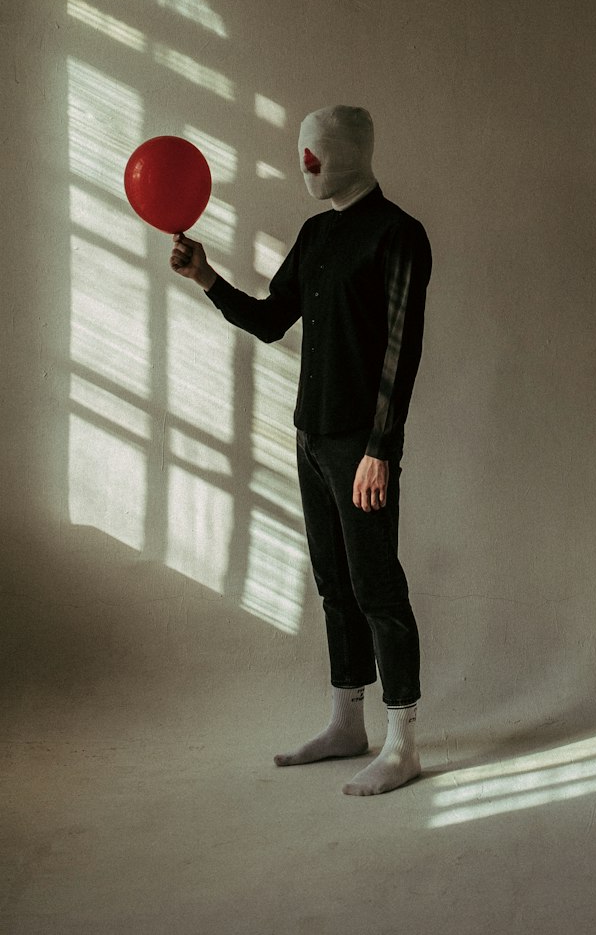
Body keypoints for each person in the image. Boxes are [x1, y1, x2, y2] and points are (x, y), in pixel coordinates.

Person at [169, 104, 432, 796]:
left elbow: (401, 356)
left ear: (346, 152)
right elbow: (268, 318)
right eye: (302, 155)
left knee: (377, 585)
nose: (304, 167)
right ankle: (348, 722)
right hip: (310, 435)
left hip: (359, 445)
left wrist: (380, 448)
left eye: (313, 155)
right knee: (332, 582)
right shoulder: (316, 234)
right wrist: (207, 276)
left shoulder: (399, 234)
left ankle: (403, 740)